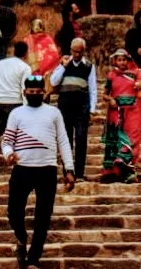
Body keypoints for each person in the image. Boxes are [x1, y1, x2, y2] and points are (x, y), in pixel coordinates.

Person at [2, 75, 75, 269]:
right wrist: (9, 154)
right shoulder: (16, 114)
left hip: (47, 170)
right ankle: (21, 236)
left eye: (38, 92)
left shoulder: (54, 113)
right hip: (22, 169)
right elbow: (7, 141)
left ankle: (33, 259)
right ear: (24, 93)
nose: (35, 95)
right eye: (31, 92)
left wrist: (69, 169)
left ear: (44, 93)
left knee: (43, 216)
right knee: (13, 211)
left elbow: (63, 141)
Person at [0, 40, 32, 178]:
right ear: (26, 53)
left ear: (14, 51)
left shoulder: (0, 64)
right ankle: (22, 163)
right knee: (19, 136)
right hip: (16, 104)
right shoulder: (25, 68)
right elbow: (24, 90)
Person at [98, 48, 141, 183]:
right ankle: (112, 172)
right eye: (119, 60)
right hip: (116, 111)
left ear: (128, 60)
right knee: (116, 140)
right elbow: (104, 94)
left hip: (133, 110)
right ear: (115, 61)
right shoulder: (111, 75)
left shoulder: (135, 73)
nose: (121, 63)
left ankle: (128, 171)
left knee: (131, 138)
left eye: (124, 60)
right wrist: (110, 100)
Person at [47, 37, 96, 179]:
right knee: (65, 140)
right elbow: (53, 80)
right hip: (65, 107)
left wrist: (92, 109)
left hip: (82, 107)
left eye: (80, 52)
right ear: (71, 50)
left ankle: (79, 173)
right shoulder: (64, 64)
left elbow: (92, 89)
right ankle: (68, 171)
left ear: (83, 51)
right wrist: (63, 66)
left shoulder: (88, 66)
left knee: (81, 139)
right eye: (74, 51)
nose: (77, 55)